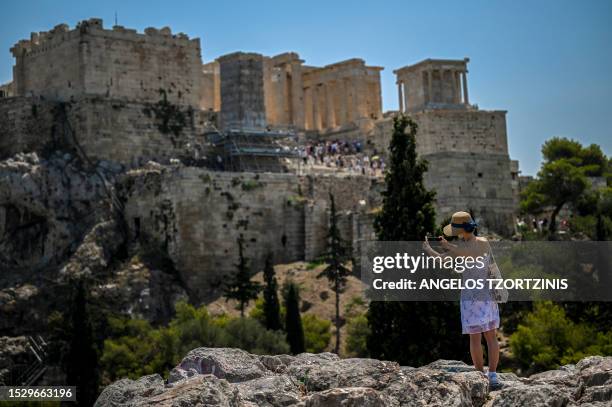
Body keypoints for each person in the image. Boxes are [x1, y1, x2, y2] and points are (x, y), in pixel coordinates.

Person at [423, 211, 502, 390]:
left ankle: (482, 376)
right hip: (486, 294)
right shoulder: (482, 242)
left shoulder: (466, 246)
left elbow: (466, 254)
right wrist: (430, 249)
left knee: (475, 338)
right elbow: (444, 260)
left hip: (471, 296)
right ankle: (492, 376)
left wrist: (447, 246)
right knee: (490, 337)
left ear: (459, 230)